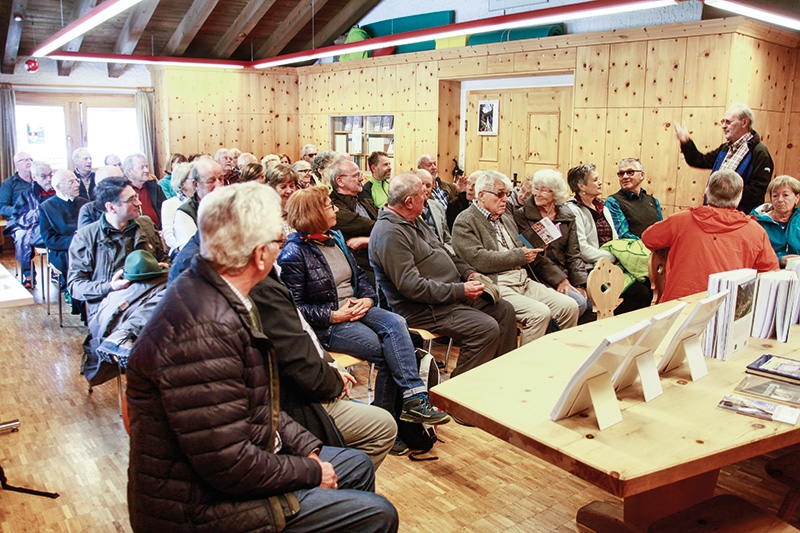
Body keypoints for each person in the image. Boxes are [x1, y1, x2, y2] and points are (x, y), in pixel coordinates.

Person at [126, 182, 397, 533]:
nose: (281, 250)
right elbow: (228, 464)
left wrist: (306, 448)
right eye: (278, 242)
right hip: (200, 508)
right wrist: (310, 471)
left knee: (356, 467)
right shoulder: (203, 332)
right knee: (378, 514)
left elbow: (262, 404)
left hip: (238, 465)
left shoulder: (217, 290)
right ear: (259, 255)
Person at [278, 186, 450, 426]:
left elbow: (359, 277)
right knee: (389, 353)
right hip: (330, 323)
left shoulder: (336, 238)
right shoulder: (293, 253)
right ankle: (388, 420)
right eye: (329, 206)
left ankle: (412, 400)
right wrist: (333, 315)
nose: (336, 209)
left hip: (357, 308)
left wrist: (368, 299)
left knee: (397, 322)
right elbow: (295, 308)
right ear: (314, 213)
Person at [369, 173, 518, 378]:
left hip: (448, 295)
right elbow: (412, 287)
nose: (427, 197)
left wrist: (469, 273)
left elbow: (446, 253)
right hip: (423, 308)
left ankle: (499, 376)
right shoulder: (390, 233)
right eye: (423, 193)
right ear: (409, 202)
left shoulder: (414, 220)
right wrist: (460, 290)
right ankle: (457, 390)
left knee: (504, 310)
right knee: (485, 328)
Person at [453, 170, 579, 344]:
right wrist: (521, 255)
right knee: (539, 314)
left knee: (570, 307)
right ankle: (527, 361)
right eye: (500, 194)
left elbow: (519, 246)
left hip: (523, 280)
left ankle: (556, 355)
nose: (505, 199)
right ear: (481, 195)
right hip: (497, 283)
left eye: (507, 194)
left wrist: (535, 248)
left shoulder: (505, 218)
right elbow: (478, 259)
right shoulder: (465, 221)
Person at [642, 169, 779, 301]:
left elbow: (648, 238)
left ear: (707, 192)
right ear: (739, 196)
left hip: (679, 305)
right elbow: (770, 274)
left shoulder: (680, 221)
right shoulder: (756, 231)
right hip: (727, 306)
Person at [68, 176, 167, 321]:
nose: (139, 203)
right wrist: (110, 286)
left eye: (136, 197)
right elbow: (75, 286)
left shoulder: (145, 224)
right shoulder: (85, 237)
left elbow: (163, 259)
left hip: (151, 298)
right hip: (111, 308)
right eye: (131, 200)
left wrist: (163, 268)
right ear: (111, 207)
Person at [566, 163, 653, 314]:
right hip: (591, 268)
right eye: (595, 180)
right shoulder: (573, 210)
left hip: (611, 265)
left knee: (647, 284)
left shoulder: (603, 208)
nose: (600, 182)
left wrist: (618, 256)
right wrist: (612, 257)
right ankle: (613, 325)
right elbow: (582, 249)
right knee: (639, 293)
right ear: (581, 186)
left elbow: (615, 240)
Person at [514, 169, 589, 315]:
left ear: (555, 193)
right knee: (578, 303)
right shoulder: (522, 215)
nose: (537, 193)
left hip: (564, 273)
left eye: (543, 190)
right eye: (536, 188)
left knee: (590, 302)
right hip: (539, 276)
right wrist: (560, 280)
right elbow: (534, 257)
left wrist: (580, 284)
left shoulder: (567, 216)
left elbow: (573, 254)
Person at [675, 103, 774, 214]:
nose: (723, 126)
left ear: (744, 123)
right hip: (713, 213)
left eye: (728, 122)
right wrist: (686, 142)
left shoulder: (759, 153)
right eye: (723, 121)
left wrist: (723, 193)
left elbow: (757, 191)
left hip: (739, 217)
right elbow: (699, 160)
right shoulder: (725, 148)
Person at [7, 160, 56, 288]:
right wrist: (38, 213)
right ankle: (28, 274)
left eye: (50, 175)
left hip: (54, 226)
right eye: (43, 176)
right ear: (34, 177)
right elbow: (19, 216)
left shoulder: (59, 190)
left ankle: (58, 271)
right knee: (22, 236)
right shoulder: (27, 194)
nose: (49, 179)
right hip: (31, 226)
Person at [39, 169, 90, 290]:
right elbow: (49, 239)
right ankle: (74, 293)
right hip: (63, 249)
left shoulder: (85, 203)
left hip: (87, 246)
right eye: (71, 182)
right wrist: (75, 242)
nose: (77, 185)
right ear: (58, 187)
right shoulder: (46, 207)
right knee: (73, 263)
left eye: (77, 180)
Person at [329, 158, 378, 281]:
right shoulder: (335, 208)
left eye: (360, 174)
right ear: (340, 181)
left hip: (379, 257)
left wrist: (368, 240)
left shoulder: (363, 200)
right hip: (359, 266)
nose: (361, 178)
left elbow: (388, 225)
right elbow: (372, 226)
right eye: (356, 175)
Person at [173, 158, 224, 251]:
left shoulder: (230, 204)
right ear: (195, 184)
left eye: (221, 179)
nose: (219, 185)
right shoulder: (185, 213)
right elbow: (189, 253)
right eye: (211, 181)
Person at [605, 158, 663, 239]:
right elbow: (623, 235)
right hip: (631, 246)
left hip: (655, 246)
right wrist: (648, 244)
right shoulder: (613, 202)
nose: (625, 176)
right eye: (621, 173)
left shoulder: (654, 201)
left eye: (630, 172)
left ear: (641, 175)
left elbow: (661, 230)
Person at [751, 175, 800, 267]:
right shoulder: (757, 222)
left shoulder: (798, 220)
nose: (780, 200)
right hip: (768, 269)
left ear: (797, 198)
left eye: (785, 195)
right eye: (775, 196)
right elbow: (752, 254)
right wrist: (779, 259)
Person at [123, 153, 166, 228]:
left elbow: (165, 210)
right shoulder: (123, 192)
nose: (146, 170)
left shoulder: (155, 188)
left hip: (160, 231)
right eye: (141, 167)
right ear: (129, 171)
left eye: (146, 166)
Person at [160, 162, 194, 254]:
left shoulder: (201, 202)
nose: (197, 182)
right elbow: (168, 235)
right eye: (193, 179)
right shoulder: (169, 204)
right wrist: (184, 249)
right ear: (182, 183)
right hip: (180, 252)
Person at [416, 168, 453, 253]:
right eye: (421, 185)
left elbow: (447, 238)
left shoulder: (438, 207)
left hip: (441, 251)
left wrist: (450, 253)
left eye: (428, 186)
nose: (424, 189)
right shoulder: (407, 210)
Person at [265, 163, 300, 236]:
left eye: (291, 186)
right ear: (272, 188)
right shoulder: (266, 214)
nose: (289, 191)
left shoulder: (299, 209)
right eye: (283, 187)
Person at [0, 152, 33, 218]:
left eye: (31, 160)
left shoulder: (39, 180)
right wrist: (20, 211)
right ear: (17, 165)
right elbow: (2, 207)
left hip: (41, 218)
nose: (29, 162)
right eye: (26, 160)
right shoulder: (8, 183)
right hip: (19, 219)